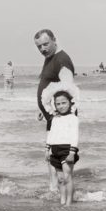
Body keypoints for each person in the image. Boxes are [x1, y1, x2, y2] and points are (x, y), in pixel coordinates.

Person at [34, 28, 76, 192]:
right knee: (52, 159)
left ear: (54, 40)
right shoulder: (50, 57)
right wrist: (43, 106)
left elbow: (68, 91)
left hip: (61, 121)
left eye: (46, 44)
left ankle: (67, 205)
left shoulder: (62, 60)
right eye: (39, 46)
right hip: (53, 118)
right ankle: (54, 193)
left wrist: (60, 117)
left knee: (63, 165)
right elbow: (51, 86)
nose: (43, 49)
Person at [46, 91, 79, 206]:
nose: (61, 106)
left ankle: (69, 203)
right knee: (60, 179)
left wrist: (72, 153)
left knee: (67, 177)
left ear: (70, 103)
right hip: (55, 150)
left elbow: (75, 136)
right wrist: (47, 150)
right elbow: (51, 135)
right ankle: (62, 201)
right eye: (58, 104)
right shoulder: (54, 119)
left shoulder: (73, 118)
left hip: (67, 150)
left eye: (64, 103)